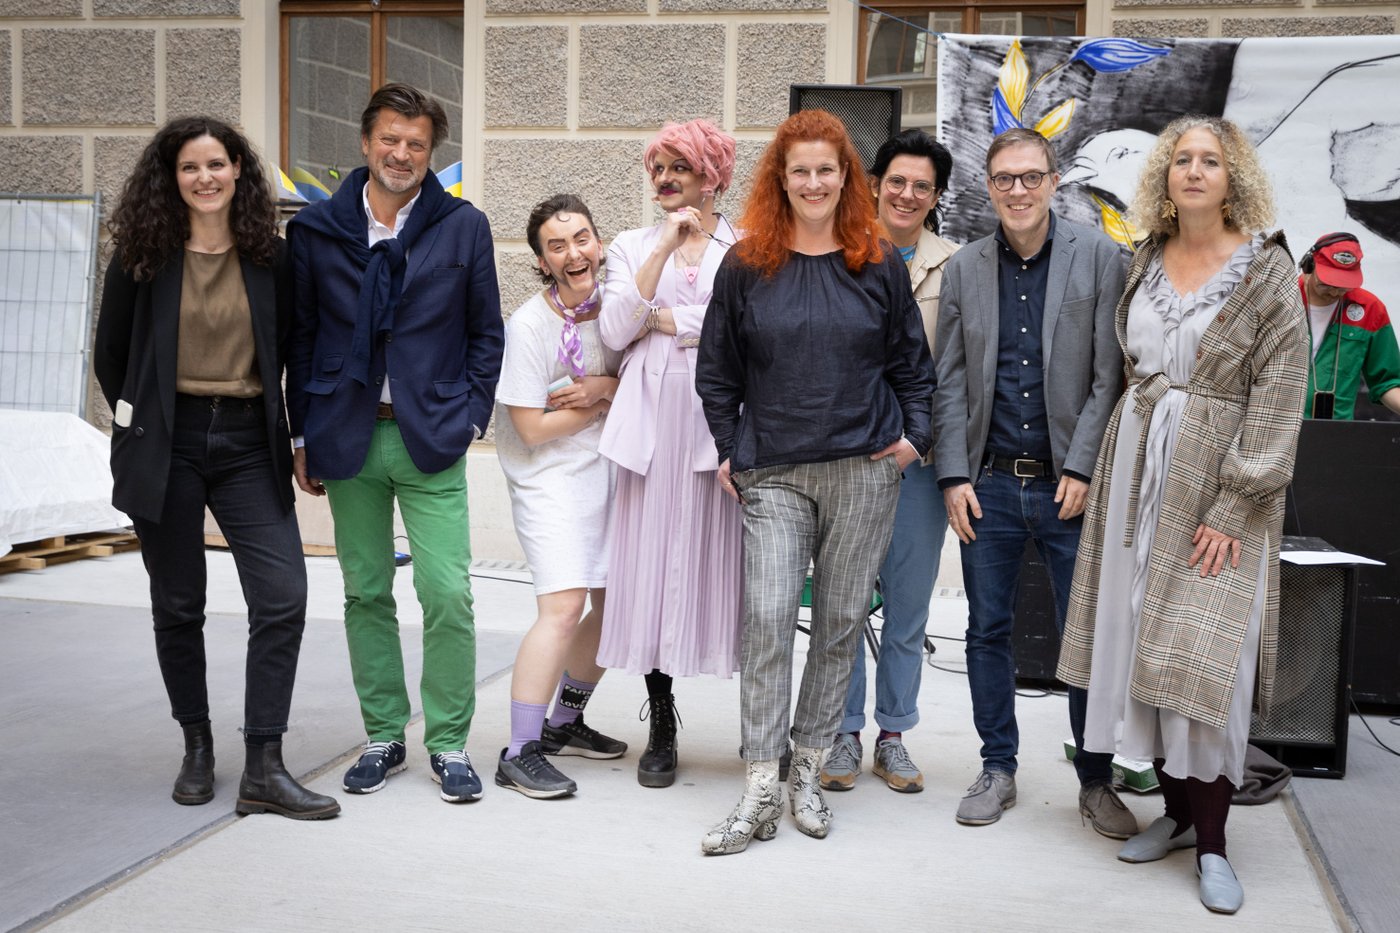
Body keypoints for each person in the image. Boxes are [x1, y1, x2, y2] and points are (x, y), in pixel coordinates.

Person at [1059, 115, 1307, 915]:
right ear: (1165, 175)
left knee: (1209, 667)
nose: (1195, 171)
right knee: (1143, 649)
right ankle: (1171, 813)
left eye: (1212, 160)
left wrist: (1237, 502)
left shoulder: (1267, 275)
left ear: (1234, 177)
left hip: (1216, 484)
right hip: (1136, 470)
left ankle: (1214, 842)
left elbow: (1278, 398)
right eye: (1183, 160)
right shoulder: (1144, 261)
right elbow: (1131, 369)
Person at [696, 109, 935, 855]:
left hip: (864, 471)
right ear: (780, 177)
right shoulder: (746, 265)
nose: (812, 182)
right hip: (774, 472)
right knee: (767, 618)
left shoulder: (878, 263)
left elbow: (914, 372)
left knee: (837, 627)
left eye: (826, 169)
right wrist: (734, 450)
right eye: (798, 169)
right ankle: (761, 783)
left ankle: (807, 767)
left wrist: (909, 444)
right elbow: (717, 373)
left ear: (846, 178)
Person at [94, 116, 339, 820]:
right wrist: (141, 427)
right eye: (190, 168)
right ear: (171, 179)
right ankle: (197, 745)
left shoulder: (272, 257)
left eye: (217, 165)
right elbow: (112, 355)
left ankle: (264, 762)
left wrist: (298, 436)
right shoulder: (143, 254)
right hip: (164, 440)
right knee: (178, 603)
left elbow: (293, 351)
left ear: (239, 171)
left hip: (245, 439)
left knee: (283, 593)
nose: (205, 178)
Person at [285, 83, 504, 804]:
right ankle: (383, 732)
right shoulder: (316, 231)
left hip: (430, 438)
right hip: (346, 437)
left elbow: (484, 332)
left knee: (448, 593)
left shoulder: (461, 226)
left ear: (430, 154)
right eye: (390, 139)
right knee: (366, 592)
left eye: (416, 144)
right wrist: (300, 432)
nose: (402, 153)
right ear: (364, 142)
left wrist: (471, 416)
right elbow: (303, 337)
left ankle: (447, 740)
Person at [932, 127, 1133, 836]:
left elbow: (1114, 376)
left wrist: (1081, 463)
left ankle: (1097, 778)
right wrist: (952, 473)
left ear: (1053, 181)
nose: (1017, 190)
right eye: (1003, 178)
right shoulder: (963, 270)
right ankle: (997, 765)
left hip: (1068, 487)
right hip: (988, 485)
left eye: (1030, 176)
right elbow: (948, 380)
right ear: (987, 187)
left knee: (1088, 634)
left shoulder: (1104, 258)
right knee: (986, 630)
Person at [596, 118, 743, 789]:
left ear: (713, 174)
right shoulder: (630, 245)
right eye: (657, 167)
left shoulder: (743, 246)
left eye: (679, 166)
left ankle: (759, 724)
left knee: (713, 569)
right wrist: (662, 249)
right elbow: (616, 325)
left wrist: (668, 320)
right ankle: (660, 720)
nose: (665, 178)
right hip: (650, 423)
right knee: (653, 573)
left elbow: (741, 328)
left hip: (716, 419)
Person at [819, 128, 958, 796]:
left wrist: (922, 443)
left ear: (935, 199)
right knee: (841, 604)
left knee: (907, 609)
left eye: (922, 186)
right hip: (842, 461)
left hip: (917, 465)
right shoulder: (834, 253)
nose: (907, 194)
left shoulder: (954, 267)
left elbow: (953, 374)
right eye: (897, 180)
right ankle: (842, 730)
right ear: (874, 183)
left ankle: (893, 734)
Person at [493, 194, 626, 799]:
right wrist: (601, 401)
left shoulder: (619, 310)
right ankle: (519, 751)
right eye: (557, 245)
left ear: (599, 243)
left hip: (608, 472)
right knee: (563, 608)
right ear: (542, 261)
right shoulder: (528, 326)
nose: (574, 253)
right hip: (548, 479)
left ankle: (564, 724)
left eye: (582, 239)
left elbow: (645, 382)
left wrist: (608, 386)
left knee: (615, 604)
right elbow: (530, 428)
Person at [1296, 232, 1400, 419]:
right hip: (1274, 432)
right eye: (1328, 283)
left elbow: (1387, 383)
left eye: (1344, 284)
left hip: (1335, 435)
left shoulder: (1371, 310)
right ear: (1309, 265)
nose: (1335, 291)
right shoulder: (1277, 300)